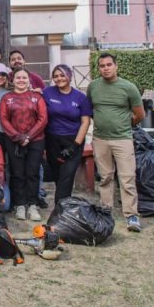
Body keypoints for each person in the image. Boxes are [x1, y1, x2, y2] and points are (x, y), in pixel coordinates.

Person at [87, 52, 145, 233]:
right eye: (102, 66)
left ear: (116, 66)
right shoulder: (93, 87)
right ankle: (106, 210)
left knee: (127, 178)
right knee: (105, 177)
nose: (106, 68)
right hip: (100, 139)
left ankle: (131, 215)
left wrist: (123, 126)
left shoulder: (128, 87)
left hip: (122, 139)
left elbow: (139, 115)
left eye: (109, 65)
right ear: (99, 68)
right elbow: (89, 109)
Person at [0, 68, 48, 222]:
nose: (21, 80)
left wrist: (28, 136)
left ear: (29, 80)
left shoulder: (37, 97)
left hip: (36, 140)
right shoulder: (6, 98)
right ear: (13, 80)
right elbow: (4, 120)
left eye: (24, 78)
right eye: (18, 77)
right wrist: (18, 137)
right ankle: (20, 204)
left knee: (32, 172)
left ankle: (33, 205)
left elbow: (43, 119)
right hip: (14, 141)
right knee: (17, 173)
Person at [43, 64, 93, 203]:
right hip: (52, 141)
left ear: (69, 76)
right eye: (56, 76)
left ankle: (60, 210)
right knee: (58, 176)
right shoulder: (47, 92)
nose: (59, 78)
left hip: (73, 141)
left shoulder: (80, 97)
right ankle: (65, 205)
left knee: (67, 176)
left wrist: (75, 145)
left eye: (62, 75)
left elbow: (85, 122)